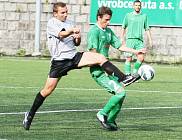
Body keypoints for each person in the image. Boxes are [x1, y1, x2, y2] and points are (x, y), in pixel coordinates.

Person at [22, 2, 140, 130]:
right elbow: (62, 34)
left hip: (74, 57)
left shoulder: (70, 22)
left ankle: (123, 78)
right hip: (59, 62)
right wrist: (72, 30)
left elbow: (76, 43)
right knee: (47, 91)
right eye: (62, 12)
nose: (65, 14)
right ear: (55, 14)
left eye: (66, 12)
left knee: (100, 58)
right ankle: (30, 114)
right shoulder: (52, 23)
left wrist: (77, 37)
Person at [87, 6, 146, 131]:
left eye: (109, 20)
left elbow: (120, 46)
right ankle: (102, 114)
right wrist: (103, 67)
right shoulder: (94, 31)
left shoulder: (108, 31)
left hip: (108, 69)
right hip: (99, 71)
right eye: (106, 20)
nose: (108, 22)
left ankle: (111, 121)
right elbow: (92, 53)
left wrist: (136, 51)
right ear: (99, 18)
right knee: (121, 92)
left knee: (121, 94)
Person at [121, 0, 152, 76]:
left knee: (141, 58)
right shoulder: (128, 15)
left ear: (140, 7)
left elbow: (147, 28)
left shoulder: (144, 16)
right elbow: (123, 27)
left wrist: (150, 40)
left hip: (139, 41)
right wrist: (122, 38)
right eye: (136, 5)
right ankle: (128, 75)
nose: (137, 7)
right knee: (129, 58)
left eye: (139, 5)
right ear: (133, 6)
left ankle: (134, 73)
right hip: (130, 39)